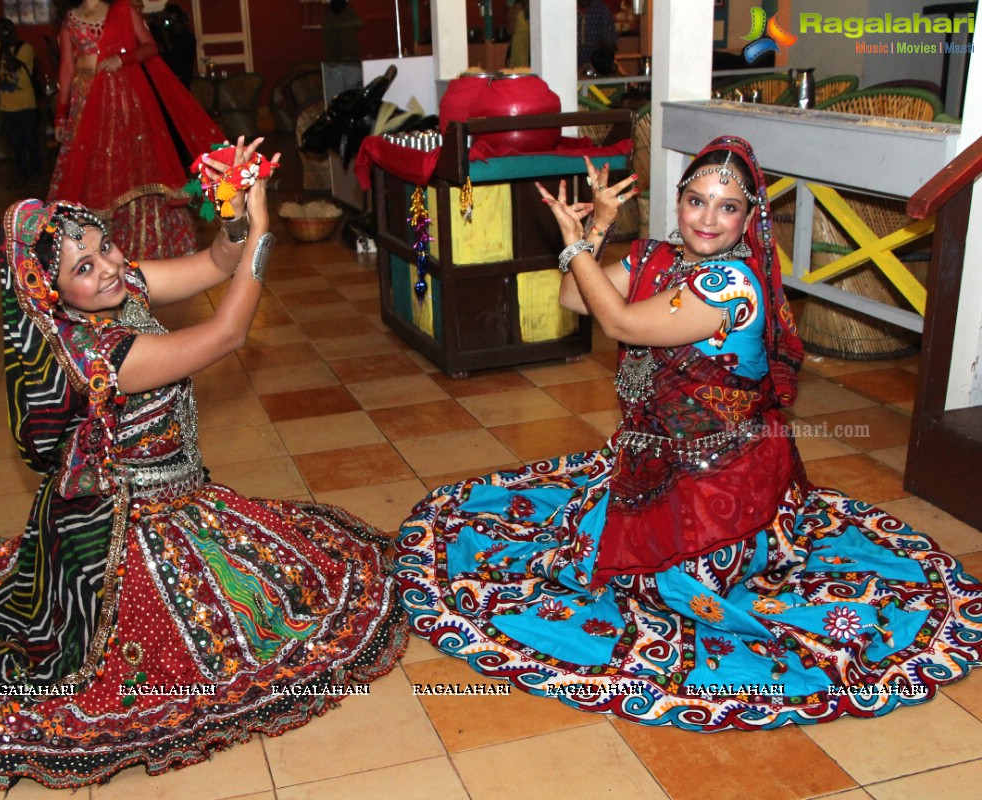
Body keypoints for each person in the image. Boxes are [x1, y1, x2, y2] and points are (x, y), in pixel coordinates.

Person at [0, 139, 409, 789]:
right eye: (83, 266)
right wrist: (267, 234)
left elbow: (215, 264)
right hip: (133, 521)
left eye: (103, 245)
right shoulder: (95, 353)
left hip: (184, 489)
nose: (107, 266)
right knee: (206, 644)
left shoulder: (118, 283)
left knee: (288, 578)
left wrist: (234, 207)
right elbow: (227, 334)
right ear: (52, 292)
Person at [392, 135, 982, 730]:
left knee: (668, 584)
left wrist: (574, 248)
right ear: (677, 203)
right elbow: (577, 299)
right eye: (696, 200)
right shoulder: (660, 257)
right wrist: (594, 228)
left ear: (751, 218)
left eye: (727, 207)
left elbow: (621, 320)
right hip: (657, 460)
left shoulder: (731, 287)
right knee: (588, 548)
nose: (707, 218)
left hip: (724, 480)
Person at [49, 0, 222, 259]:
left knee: (128, 167)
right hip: (85, 104)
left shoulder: (122, 10)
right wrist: (61, 117)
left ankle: (142, 244)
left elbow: (150, 47)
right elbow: (66, 71)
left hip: (122, 99)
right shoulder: (69, 20)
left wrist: (122, 58)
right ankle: (94, 249)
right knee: (94, 169)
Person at [0, 18, 44, 187]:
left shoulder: (25, 48)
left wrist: (4, 45)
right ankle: (22, 176)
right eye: (4, 31)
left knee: (30, 142)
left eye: (9, 31)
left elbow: (12, 65)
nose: (6, 35)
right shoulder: (0, 46)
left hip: (26, 105)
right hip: (7, 107)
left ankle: (38, 174)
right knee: (16, 145)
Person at [150, 3, 197, 87]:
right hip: (167, 78)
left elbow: (177, 60)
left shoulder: (187, 37)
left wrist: (167, 40)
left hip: (181, 79)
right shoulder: (166, 32)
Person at [578, 0, 617, 75]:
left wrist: (598, 60)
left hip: (595, 71)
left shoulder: (602, 11)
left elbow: (610, 43)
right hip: (567, 68)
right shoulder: (564, 9)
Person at [507, 0, 530, 69]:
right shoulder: (517, 5)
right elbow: (509, 31)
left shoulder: (532, 10)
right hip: (517, 47)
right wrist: (514, 17)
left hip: (528, 47)